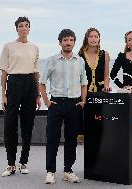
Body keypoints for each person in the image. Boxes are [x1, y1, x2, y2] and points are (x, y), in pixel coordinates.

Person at [39, 29, 88, 184]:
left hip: (74, 104)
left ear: (74, 42)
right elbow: (41, 82)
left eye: (71, 40)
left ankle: (68, 170)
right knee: (52, 138)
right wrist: (46, 101)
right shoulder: (51, 60)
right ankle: (50, 172)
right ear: (60, 42)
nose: (68, 43)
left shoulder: (79, 61)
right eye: (65, 40)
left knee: (71, 139)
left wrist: (83, 100)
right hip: (56, 104)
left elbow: (84, 83)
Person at [0, 16, 41, 177]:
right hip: (14, 84)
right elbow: (4, 72)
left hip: (30, 84)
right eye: (21, 25)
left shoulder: (34, 47)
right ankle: (10, 164)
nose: (24, 28)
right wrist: (3, 95)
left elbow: (36, 73)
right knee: (10, 125)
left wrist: (38, 95)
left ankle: (23, 162)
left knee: (27, 125)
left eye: (26, 26)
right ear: (16, 29)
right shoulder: (8, 46)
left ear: (29, 29)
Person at [77, 27, 111, 143]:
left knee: (100, 120)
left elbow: (106, 74)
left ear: (99, 39)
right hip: (85, 92)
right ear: (86, 38)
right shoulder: (80, 54)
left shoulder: (104, 54)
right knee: (87, 121)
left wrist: (106, 85)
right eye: (91, 36)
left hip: (100, 91)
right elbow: (79, 77)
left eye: (96, 36)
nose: (93, 39)